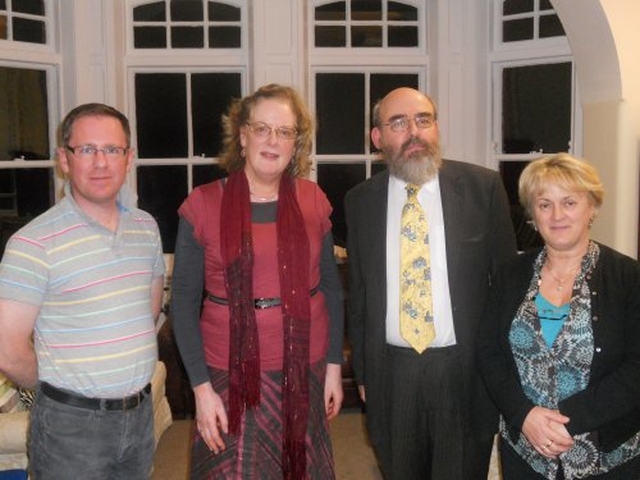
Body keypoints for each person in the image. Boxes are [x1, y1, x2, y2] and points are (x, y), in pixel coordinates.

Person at [170, 83, 344, 479]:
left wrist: (334, 364)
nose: (272, 140)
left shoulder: (313, 200)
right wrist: (200, 388)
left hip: (306, 367)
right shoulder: (202, 204)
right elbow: (182, 301)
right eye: (262, 128)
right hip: (227, 374)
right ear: (243, 135)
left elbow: (331, 289)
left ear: (296, 142)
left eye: (284, 131)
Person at [344, 87, 517, 479]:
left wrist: (500, 371)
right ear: (378, 138)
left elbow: (507, 289)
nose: (414, 132)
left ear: (436, 128)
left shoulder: (483, 188)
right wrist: (365, 374)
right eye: (398, 122)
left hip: (463, 369)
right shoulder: (360, 201)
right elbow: (360, 296)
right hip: (392, 372)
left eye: (423, 120)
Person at [0, 103, 166, 479]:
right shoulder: (33, 243)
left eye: (112, 150)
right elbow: (7, 351)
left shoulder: (146, 228)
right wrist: (62, 391)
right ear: (64, 159)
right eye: (87, 150)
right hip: (70, 428)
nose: (101, 163)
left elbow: (148, 311)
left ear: (129, 159)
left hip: (138, 418)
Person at [477, 153, 640, 479]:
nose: (557, 215)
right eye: (544, 204)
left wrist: (563, 421)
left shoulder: (627, 277)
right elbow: (489, 353)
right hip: (526, 451)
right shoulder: (510, 275)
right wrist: (525, 416)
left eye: (569, 202)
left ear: (591, 207)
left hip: (607, 455)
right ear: (532, 214)